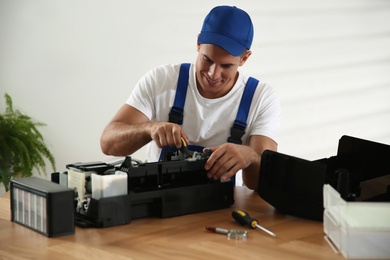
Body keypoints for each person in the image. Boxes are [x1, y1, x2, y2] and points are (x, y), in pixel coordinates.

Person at [100, 5, 281, 191]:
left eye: (226, 66)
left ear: (244, 59)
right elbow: (108, 143)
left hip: (223, 210)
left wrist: (250, 157)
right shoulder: (161, 80)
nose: (213, 73)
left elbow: (264, 183)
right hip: (160, 204)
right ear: (198, 44)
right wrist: (149, 129)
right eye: (207, 59)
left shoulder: (261, 99)